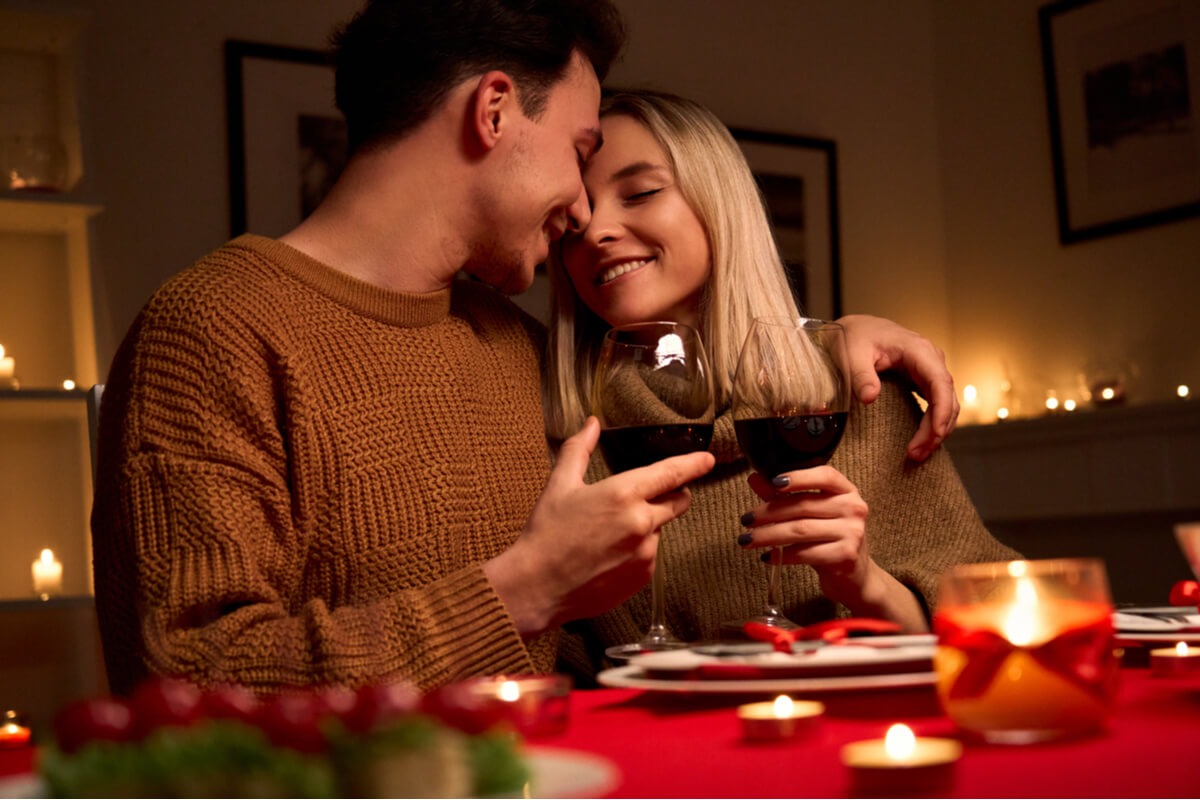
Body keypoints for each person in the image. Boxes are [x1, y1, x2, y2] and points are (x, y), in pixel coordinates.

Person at [92, 0, 964, 696]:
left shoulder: (519, 350)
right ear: (495, 110)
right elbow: (187, 681)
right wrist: (522, 593)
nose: (585, 216)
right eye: (580, 152)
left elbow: (698, 461)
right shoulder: (208, 329)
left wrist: (830, 344)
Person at [545, 91, 1020, 674]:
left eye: (640, 192)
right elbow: (554, 671)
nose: (597, 232)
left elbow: (999, 634)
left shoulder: (858, 392)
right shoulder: (566, 444)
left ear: (719, 203)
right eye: (577, 218)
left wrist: (866, 583)